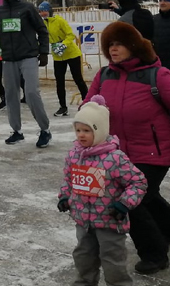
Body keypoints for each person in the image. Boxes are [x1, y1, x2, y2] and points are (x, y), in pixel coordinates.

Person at [83, 22, 170, 275]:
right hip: (118, 154)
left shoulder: (157, 75)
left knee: (131, 201)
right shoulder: (104, 75)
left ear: (134, 45)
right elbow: (87, 112)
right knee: (146, 196)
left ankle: (154, 254)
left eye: (120, 44)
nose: (113, 49)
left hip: (154, 152)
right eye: (110, 45)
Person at [57, 97, 148, 286]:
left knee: (113, 261)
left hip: (109, 222)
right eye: (78, 130)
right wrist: (65, 196)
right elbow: (68, 179)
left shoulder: (115, 157)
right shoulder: (75, 154)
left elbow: (138, 182)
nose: (81, 135)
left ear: (100, 131)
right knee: (83, 257)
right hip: (83, 221)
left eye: (87, 130)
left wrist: (124, 204)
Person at [0, 0, 51, 147]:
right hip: (8, 59)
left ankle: (45, 130)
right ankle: (16, 131)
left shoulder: (27, 8)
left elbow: (42, 30)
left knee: (31, 92)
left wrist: (44, 52)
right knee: (11, 94)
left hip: (28, 56)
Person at [38, 1, 88, 116]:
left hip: (71, 53)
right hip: (58, 55)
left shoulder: (59, 21)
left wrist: (64, 44)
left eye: (44, 10)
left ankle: (87, 103)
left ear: (50, 10)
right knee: (59, 82)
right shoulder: (42, 24)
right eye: (40, 11)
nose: (43, 13)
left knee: (78, 79)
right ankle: (63, 107)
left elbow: (70, 35)